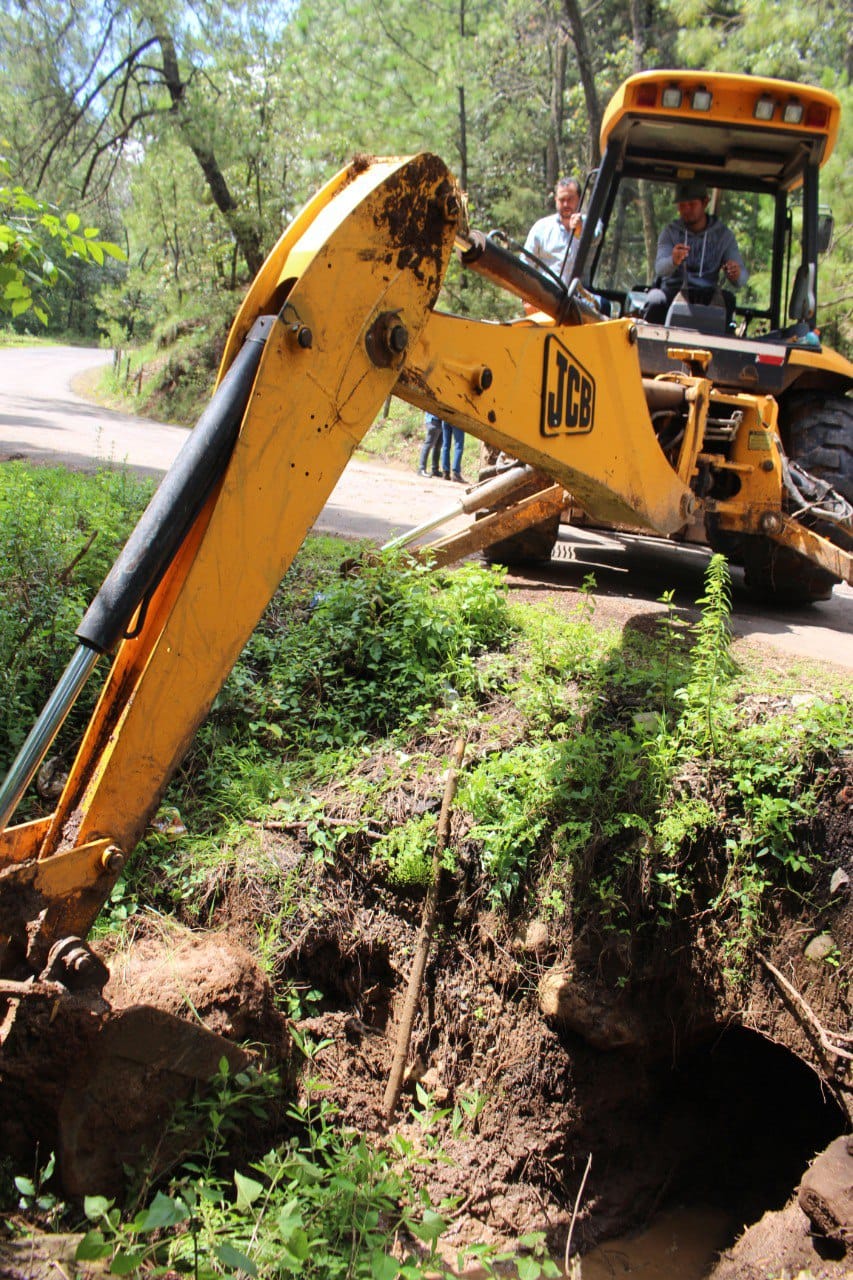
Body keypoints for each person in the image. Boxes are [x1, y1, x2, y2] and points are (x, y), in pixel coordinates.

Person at [643, 180, 748, 324]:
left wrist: (736, 274)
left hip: (708, 296)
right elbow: (660, 268)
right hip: (673, 292)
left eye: (692, 204)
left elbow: (742, 279)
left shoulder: (724, 236)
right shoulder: (670, 233)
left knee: (728, 300)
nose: (686, 209)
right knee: (655, 300)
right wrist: (673, 260)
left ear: (705, 202)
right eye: (682, 205)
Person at [523, 176, 584, 286]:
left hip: (580, 294)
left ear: (579, 199)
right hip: (547, 293)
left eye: (570, 199)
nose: (566, 204)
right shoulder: (541, 228)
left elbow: (597, 237)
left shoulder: (591, 225)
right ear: (556, 199)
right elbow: (525, 265)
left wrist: (581, 230)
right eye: (562, 200)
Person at [417, 413, 443, 478]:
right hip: (433, 420)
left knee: (438, 446)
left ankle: (435, 469)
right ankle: (421, 468)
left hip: (440, 421)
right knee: (428, 445)